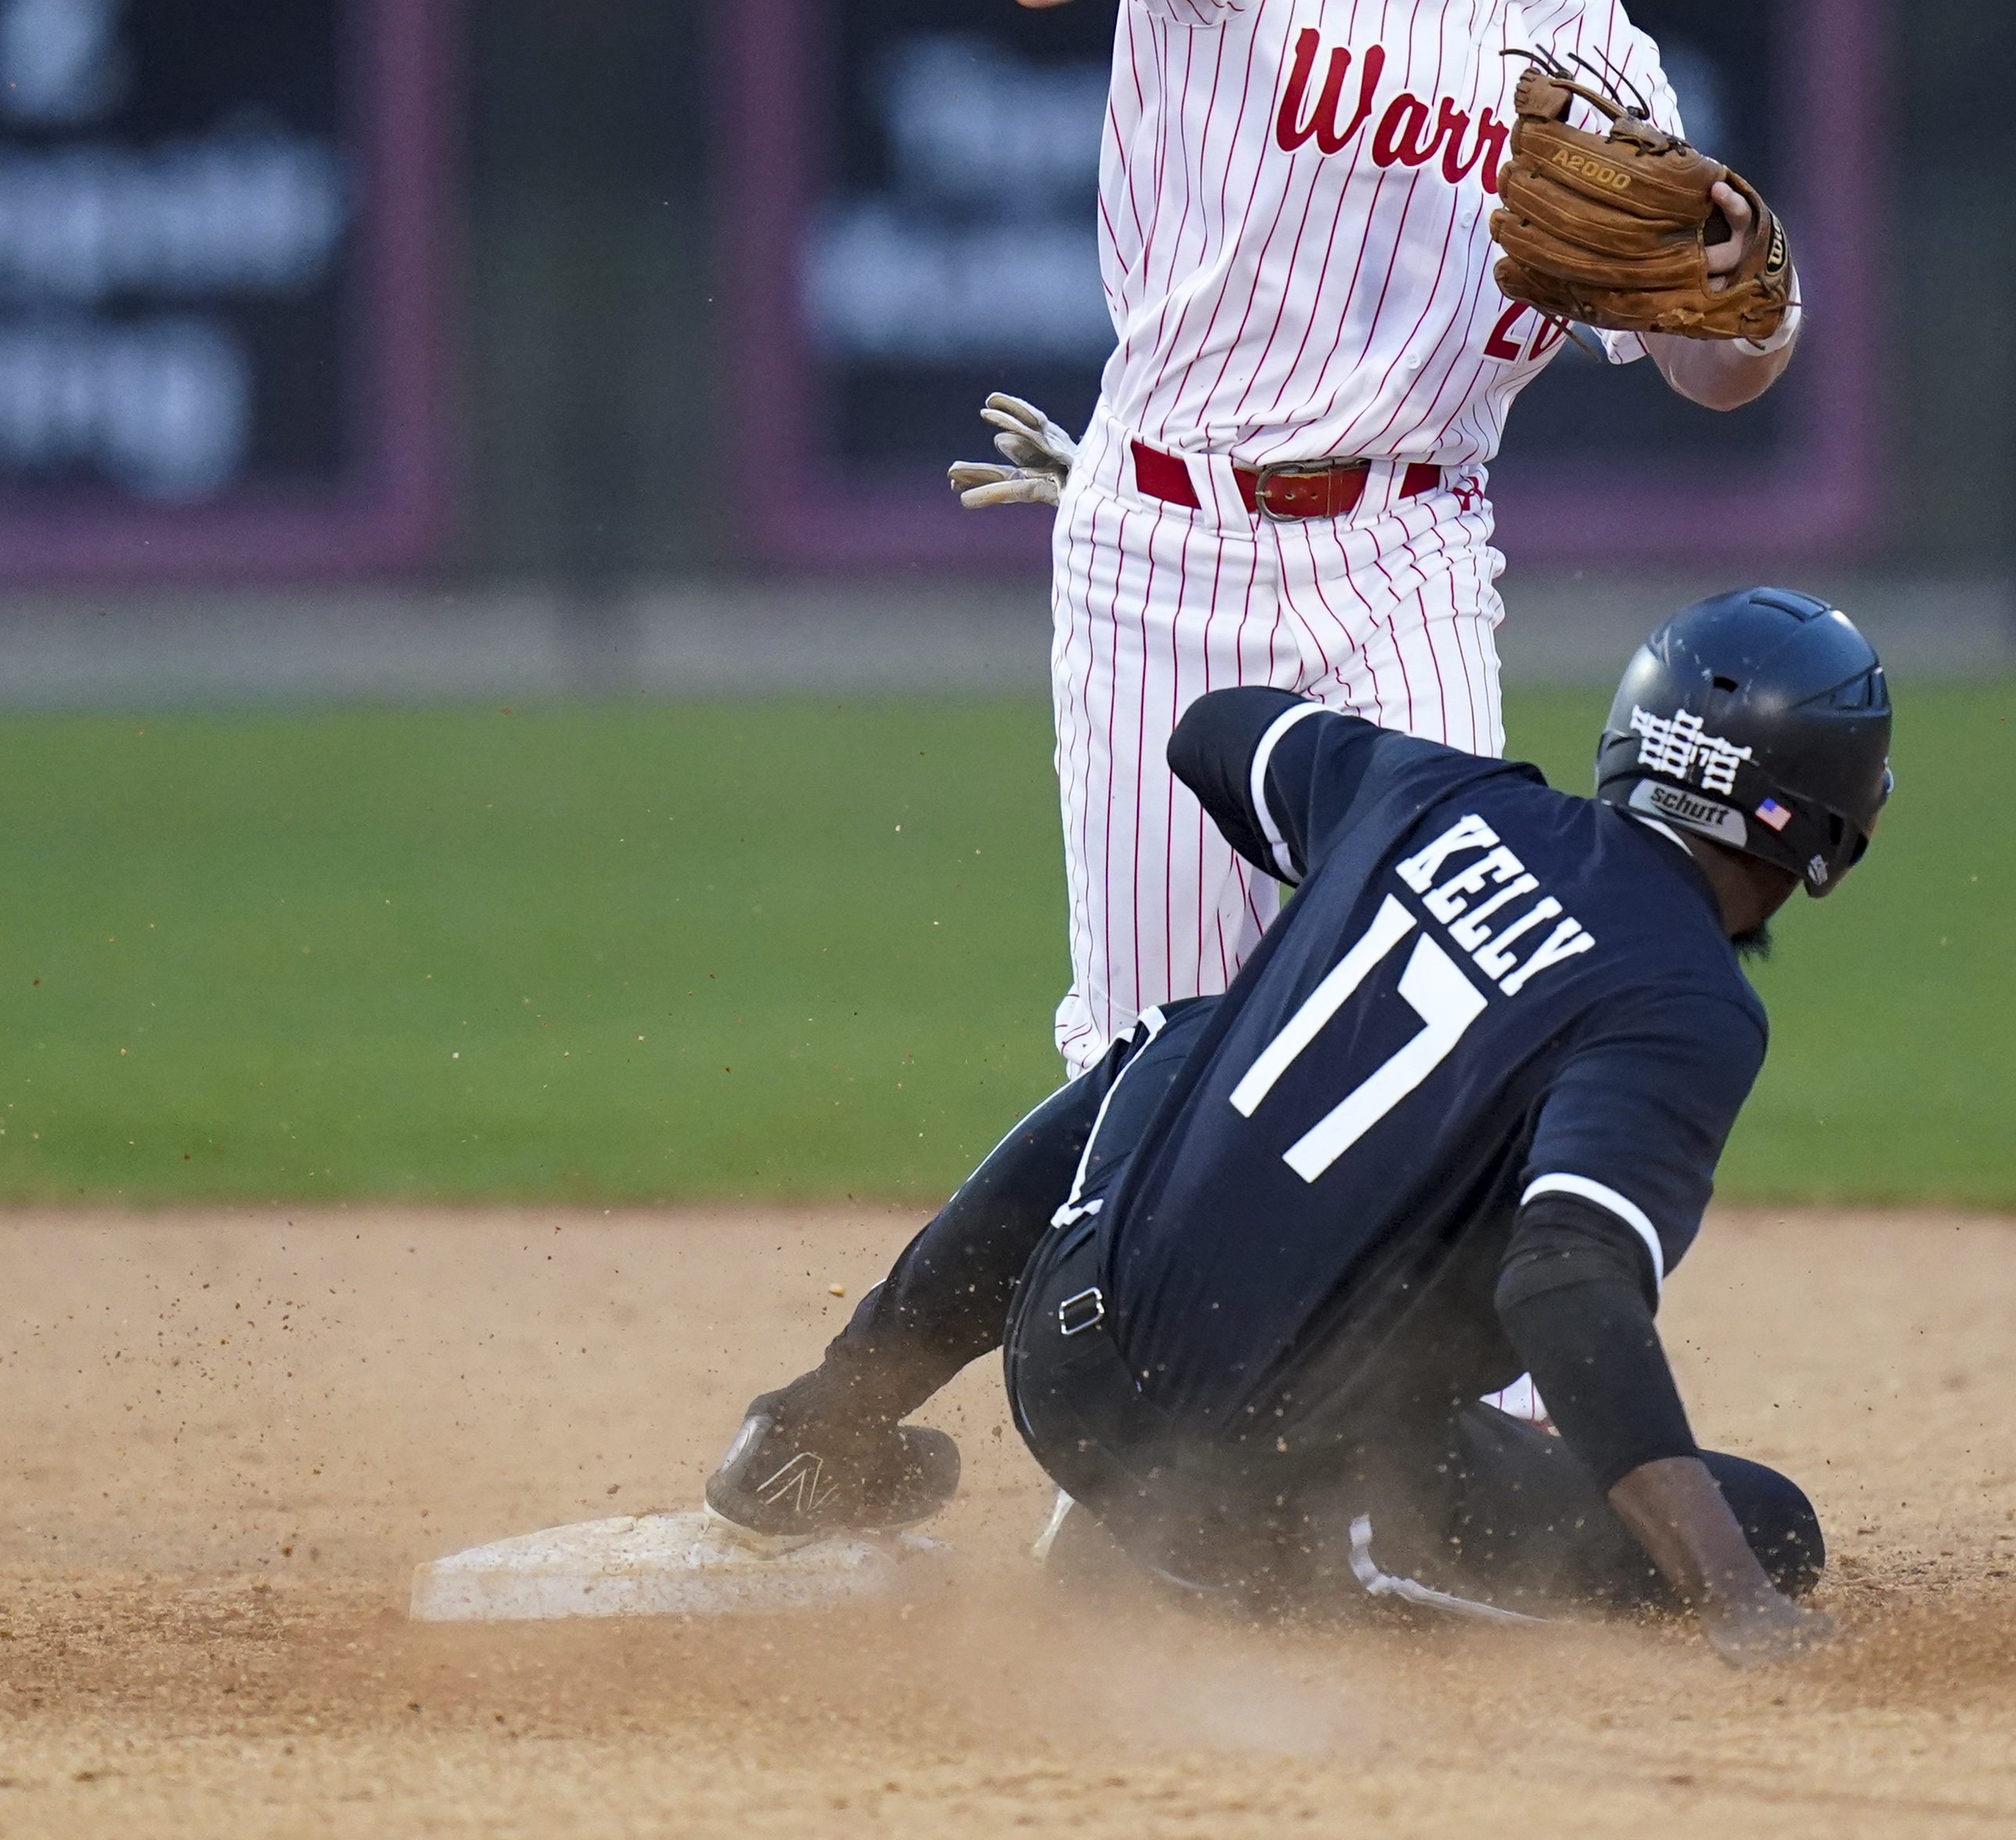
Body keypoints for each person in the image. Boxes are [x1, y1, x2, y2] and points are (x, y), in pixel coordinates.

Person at [704, 589, 1889, 1665]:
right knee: (1769, 1522)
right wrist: (1735, 1594)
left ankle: (823, 1428)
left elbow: (1212, 729)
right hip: (1274, 1513)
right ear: (1827, 832)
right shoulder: (1687, 1001)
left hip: (1063, 1358)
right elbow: (1567, 1282)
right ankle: (1162, 1557)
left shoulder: (1439, 793)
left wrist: (1357, 849)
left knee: (1181, 1040)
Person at [952, 0, 1805, 1074]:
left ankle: (1410, 1315)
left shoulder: (1603, 60)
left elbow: (1716, 368)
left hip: (1406, 551)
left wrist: (1752, 293)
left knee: (1440, 1010)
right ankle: (1093, 1301)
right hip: (1163, 544)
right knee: (1156, 1042)